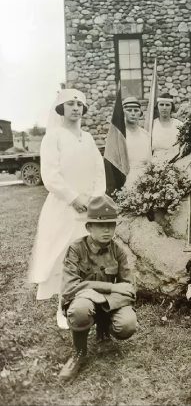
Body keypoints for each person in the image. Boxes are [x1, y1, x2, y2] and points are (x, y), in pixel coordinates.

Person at [28, 89, 106, 330]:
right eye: (70, 104)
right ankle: (63, 307)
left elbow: (98, 169)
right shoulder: (54, 137)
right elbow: (50, 175)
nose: (75, 108)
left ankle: (87, 304)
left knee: (89, 257)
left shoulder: (89, 138)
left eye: (79, 104)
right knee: (65, 257)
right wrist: (74, 198)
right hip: (63, 207)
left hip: (88, 208)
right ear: (61, 109)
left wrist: (94, 197)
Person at [58, 195, 137, 381]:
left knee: (128, 324)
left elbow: (130, 288)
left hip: (109, 302)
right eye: (101, 225)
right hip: (83, 302)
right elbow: (70, 289)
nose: (107, 230)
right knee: (80, 309)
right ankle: (79, 353)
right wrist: (110, 287)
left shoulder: (117, 250)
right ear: (89, 227)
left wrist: (105, 296)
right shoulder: (76, 250)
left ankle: (103, 331)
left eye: (111, 225)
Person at [123, 97, 151, 179]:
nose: (133, 113)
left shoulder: (146, 135)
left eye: (136, 110)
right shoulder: (119, 135)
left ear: (140, 113)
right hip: (125, 179)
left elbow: (149, 161)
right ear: (123, 113)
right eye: (129, 110)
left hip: (144, 179)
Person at [152, 93, 183, 158]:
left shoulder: (179, 124)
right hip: (156, 161)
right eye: (161, 104)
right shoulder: (152, 125)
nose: (164, 108)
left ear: (172, 107)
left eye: (167, 105)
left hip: (176, 161)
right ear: (157, 107)